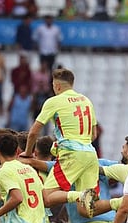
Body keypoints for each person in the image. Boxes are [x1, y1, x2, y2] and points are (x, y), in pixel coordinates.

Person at [21, 68, 99, 209]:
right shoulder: (86, 100)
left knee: (47, 198)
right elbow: (94, 135)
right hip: (91, 154)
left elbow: (33, 132)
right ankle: (117, 204)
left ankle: (79, 195)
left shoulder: (54, 101)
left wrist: (27, 153)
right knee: (87, 209)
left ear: (56, 86)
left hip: (71, 154)